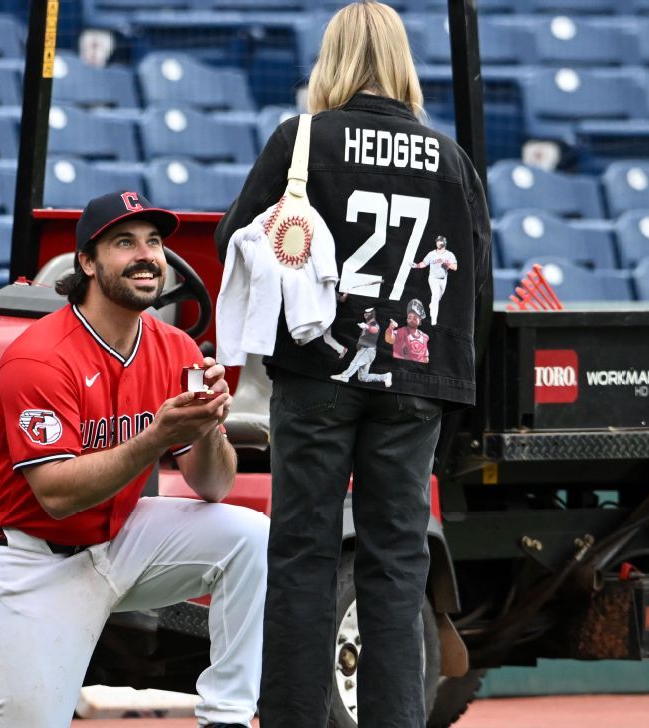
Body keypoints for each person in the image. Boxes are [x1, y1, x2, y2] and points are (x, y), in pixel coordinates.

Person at [0, 191, 268, 728]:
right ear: (87, 263)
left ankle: (229, 717)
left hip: (117, 537)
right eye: (124, 242)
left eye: (154, 242)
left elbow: (212, 486)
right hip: (27, 552)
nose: (146, 255)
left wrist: (210, 424)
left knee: (250, 537)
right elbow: (56, 495)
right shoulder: (40, 356)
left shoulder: (176, 349)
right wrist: (154, 438)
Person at [214, 2, 491, 726]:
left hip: (316, 374)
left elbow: (232, 244)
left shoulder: (300, 139)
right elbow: (478, 289)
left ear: (330, 59)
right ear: (402, 61)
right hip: (418, 377)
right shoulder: (451, 159)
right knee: (398, 570)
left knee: (303, 557)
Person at [331, 307, 393, 386]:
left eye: (367, 313)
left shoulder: (373, 324)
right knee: (363, 377)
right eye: (365, 313)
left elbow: (375, 330)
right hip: (369, 352)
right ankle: (385, 377)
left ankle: (345, 376)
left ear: (372, 314)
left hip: (366, 350)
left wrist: (366, 327)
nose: (365, 315)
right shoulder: (368, 324)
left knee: (355, 363)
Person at [415, 236, 458, 326]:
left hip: (443, 279)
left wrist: (446, 264)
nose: (438, 243)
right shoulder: (431, 254)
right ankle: (433, 320)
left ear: (444, 243)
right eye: (437, 241)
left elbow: (455, 267)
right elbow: (424, 263)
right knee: (435, 295)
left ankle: (432, 305)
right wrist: (416, 266)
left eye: (440, 241)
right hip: (433, 278)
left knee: (438, 297)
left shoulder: (449, 254)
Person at [386, 298, 430, 364]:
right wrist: (390, 328)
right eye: (409, 317)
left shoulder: (425, 337)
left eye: (415, 318)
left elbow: (425, 359)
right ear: (407, 319)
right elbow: (389, 339)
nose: (412, 320)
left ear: (420, 320)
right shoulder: (401, 332)